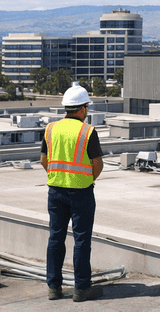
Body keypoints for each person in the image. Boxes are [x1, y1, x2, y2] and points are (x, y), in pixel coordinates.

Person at [41, 82, 104, 302]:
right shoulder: (88, 131)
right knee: (82, 241)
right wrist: (87, 179)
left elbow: (43, 160)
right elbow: (97, 164)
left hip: (55, 191)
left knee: (55, 238)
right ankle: (81, 289)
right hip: (81, 193)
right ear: (83, 109)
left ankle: (54, 288)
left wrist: (58, 176)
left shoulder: (51, 129)